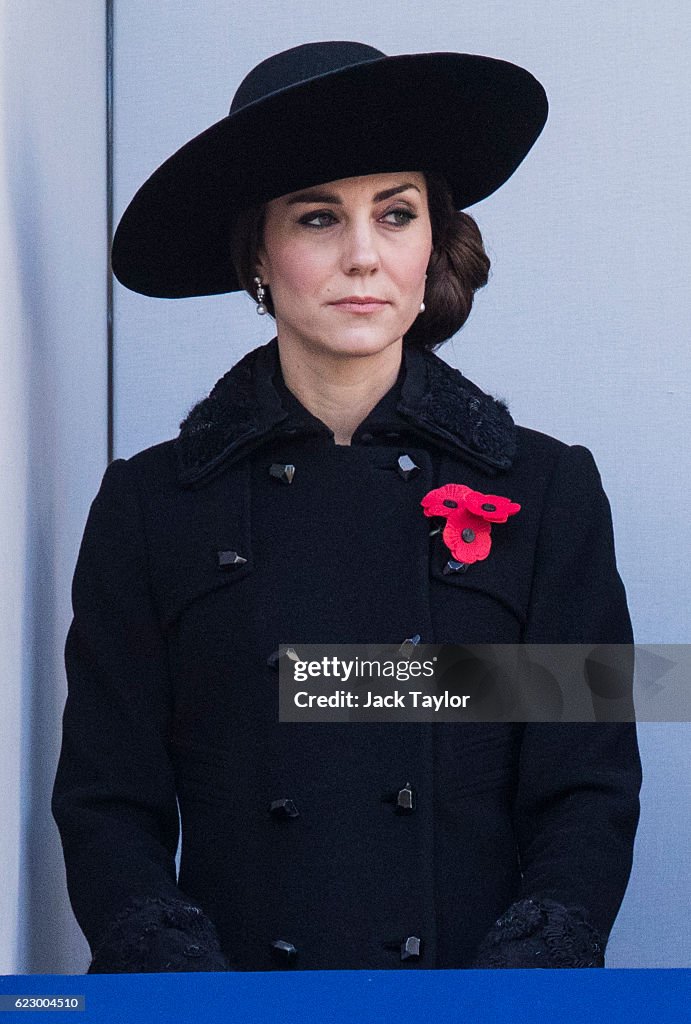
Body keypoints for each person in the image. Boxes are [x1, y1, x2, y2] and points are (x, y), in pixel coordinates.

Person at [52, 40, 642, 973]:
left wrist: (522, 980)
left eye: (396, 214)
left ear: (431, 245)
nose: (363, 255)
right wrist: (185, 989)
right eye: (318, 217)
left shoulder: (546, 492)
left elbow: (587, 790)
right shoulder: (150, 505)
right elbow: (106, 801)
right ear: (257, 254)